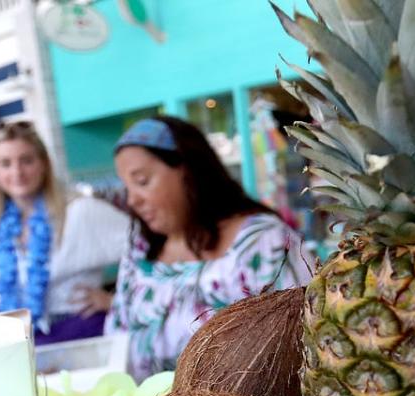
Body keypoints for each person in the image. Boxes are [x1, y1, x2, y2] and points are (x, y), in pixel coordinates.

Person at [108, 116, 315, 380]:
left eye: (142, 181)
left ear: (188, 170)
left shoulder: (263, 241)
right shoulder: (140, 247)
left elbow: (305, 338)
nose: (132, 200)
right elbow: (116, 334)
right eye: (126, 187)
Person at [0, 120, 129, 344]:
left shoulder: (81, 211)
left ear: (43, 163)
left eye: (27, 160)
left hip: (82, 337)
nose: (17, 172)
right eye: (5, 163)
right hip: (21, 346)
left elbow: (151, 249)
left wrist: (115, 301)